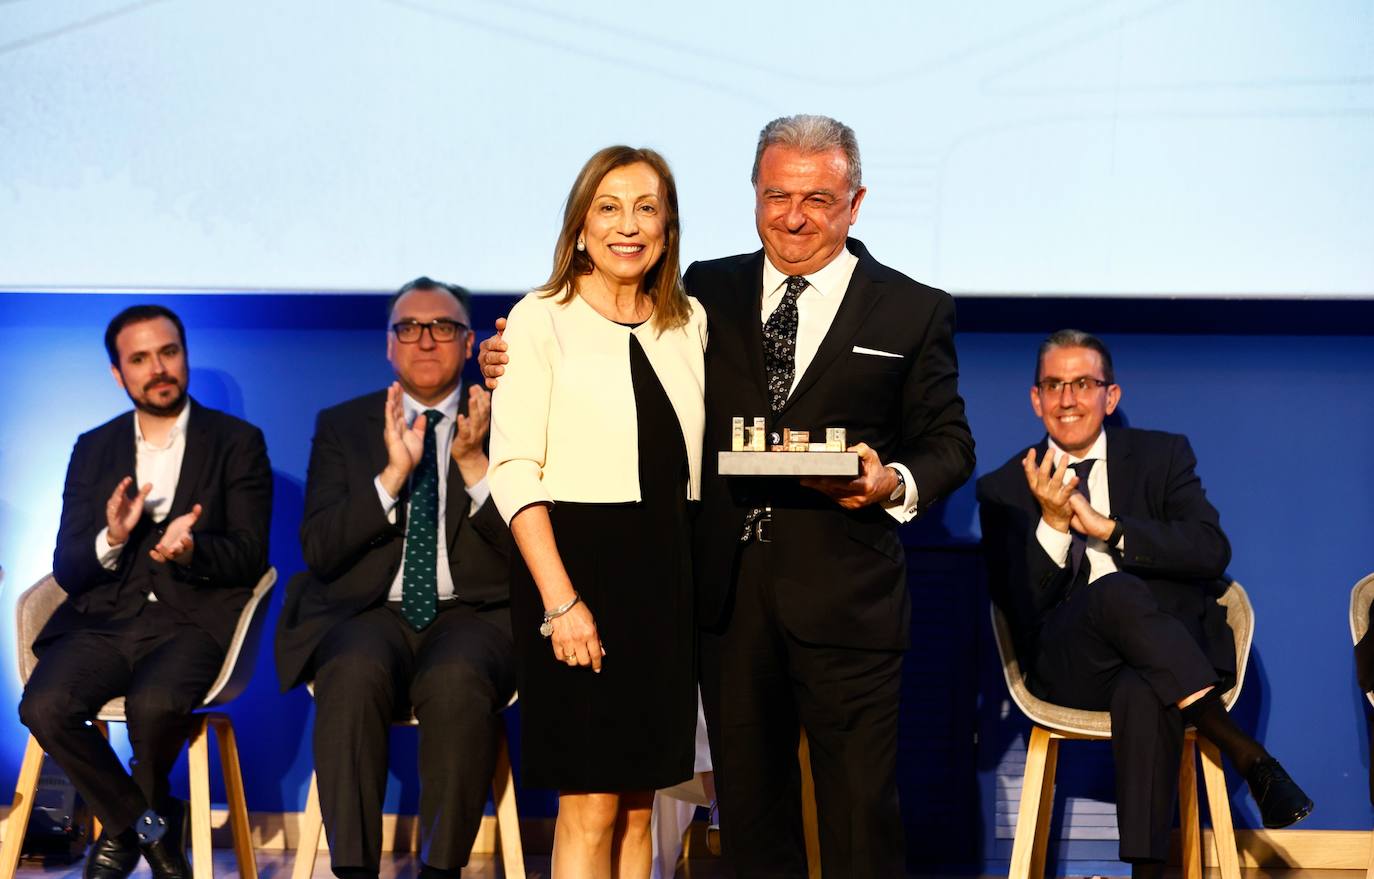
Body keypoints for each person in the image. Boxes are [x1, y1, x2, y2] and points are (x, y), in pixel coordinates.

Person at [484, 116, 976, 877]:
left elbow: (950, 443)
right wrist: (507, 363)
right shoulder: (701, 293)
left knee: (859, 813)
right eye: (776, 193)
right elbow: (590, 357)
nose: (793, 214)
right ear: (754, 194)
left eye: (817, 196)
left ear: (856, 201)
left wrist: (890, 482)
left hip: (846, 600)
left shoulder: (913, 309)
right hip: (719, 604)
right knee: (747, 815)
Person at [975, 329, 1313, 879]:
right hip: (1071, 665)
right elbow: (1019, 608)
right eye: (1054, 385)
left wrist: (1110, 530)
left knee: (1143, 689)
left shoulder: (1163, 456)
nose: (1067, 399)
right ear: (1036, 399)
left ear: (1110, 396)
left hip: (1161, 662)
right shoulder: (1004, 489)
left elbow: (1210, 549)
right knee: (1114, 591)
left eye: (1083, 384)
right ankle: (1246, 753)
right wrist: (1056, 527)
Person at [487, 145, 706, 879]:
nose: (629, 225)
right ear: (581, 226)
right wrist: (561, 601)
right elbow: (514, 470)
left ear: (668, 229)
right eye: (609, 207)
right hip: (576, 574)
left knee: (642, 804)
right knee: (592, 805)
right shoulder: (537, 319)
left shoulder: (688, 322)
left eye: (647, 208)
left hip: (665, 579)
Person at [19, 305, 272, 879]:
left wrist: (192, 550)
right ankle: (153, 828)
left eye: (169, 352)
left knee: (154, 706)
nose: (158, 368)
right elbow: (68, 565)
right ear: (118, 374)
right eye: (140, 359)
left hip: (192, 621)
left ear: (185, 355)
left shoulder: (238, 442)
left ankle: (125, 825)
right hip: (103, 621)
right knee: (44, 706)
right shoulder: (93, 446)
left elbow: (251, 555)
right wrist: (112, 536)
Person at [274, 278, 515, 879]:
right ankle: (353, 869)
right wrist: (390, 475)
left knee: (458, 678)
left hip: (473, 613)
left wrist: (474, 466)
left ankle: (440, 870)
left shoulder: (507, 418)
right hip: (368, 612)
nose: (426, 340)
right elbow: (320, 550)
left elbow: (529, 552)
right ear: (389, 345)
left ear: (467, 344)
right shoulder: (345, 425)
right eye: (410, 327)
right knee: (351, 672)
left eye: (444, 328)